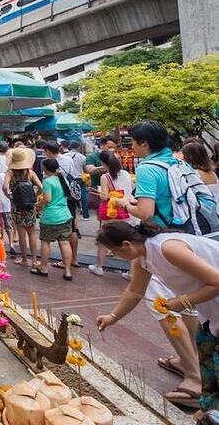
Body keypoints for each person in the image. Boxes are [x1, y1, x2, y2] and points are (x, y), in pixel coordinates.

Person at [112, 121, 205, 404]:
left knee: (162, 306)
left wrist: (125, 204)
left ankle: (194, 379)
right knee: (187, 305)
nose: (131, 147)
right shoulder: (179, 162)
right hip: (190, 239)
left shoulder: (148, 168)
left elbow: (145, 211)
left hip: (162, 241)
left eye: (133, 142)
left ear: (145, 144)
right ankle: (190, 361)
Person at [95, 221, 219, 410]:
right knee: (207, 354)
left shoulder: (168, 248)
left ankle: (209, 406)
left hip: (214, 299)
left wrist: (181, 302)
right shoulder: (143, 258)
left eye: (115, 251)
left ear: (126, 245)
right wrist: (113, 317)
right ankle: (208, 406)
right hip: (210, 311)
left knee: (212, 356)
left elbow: (216, 282)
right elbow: (134, 291)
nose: (116, 256)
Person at [88, 151, 138, 276]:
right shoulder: (126, 173)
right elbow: (131, 188)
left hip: (113, 212)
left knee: (103, 239)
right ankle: (132, 272)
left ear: (103, 163)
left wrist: (101, 192)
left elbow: (104, 197)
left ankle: (99, 267)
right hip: (129, 209)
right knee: (130, 241)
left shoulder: (105, 177)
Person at [32, 158, 75, 280]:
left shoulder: (47, 181)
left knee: (45, 242)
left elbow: (47, 199)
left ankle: (44, 267)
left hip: (50, 217)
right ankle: (68, 271)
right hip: (65, 215)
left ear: (45, 169)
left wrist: (37, 204)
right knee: (64, 242)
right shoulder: (63, 179)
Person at [44, 141, 81, 269]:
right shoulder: (68, 159)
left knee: (63, 235)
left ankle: (65, 262)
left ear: (48, 151)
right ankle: (74, 259)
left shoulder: (50, 164)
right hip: (70, 196)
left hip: (58, 200)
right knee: (73, 227)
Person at [4, 147, 42, 267]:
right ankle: (34, 260)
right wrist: (35, 196)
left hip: (17, 206)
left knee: (21, 234)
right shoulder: (30, 173)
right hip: (30, 206)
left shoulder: (10, 173)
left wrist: (9, 196)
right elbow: (41, 187)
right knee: (32, 232)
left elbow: (5, 187)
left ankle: (24, 259)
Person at [85, 135, 119, 219]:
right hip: (99, 192)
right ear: (102, 145)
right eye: (109, 147)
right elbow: (90, 170)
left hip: (116, 193)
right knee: (103, 216)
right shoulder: (92, 157)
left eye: (114, 148)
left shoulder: (116, 157)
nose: (112, 150)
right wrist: (109, 165)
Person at [64, 141, 89, 219]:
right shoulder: (82, 157)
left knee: (68, 196)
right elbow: (85, 169)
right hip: (80, 178)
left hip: (68, 179)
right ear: (78, 147)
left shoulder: (64, 156)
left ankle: (70, 214)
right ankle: (85, 215)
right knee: (83, 196)